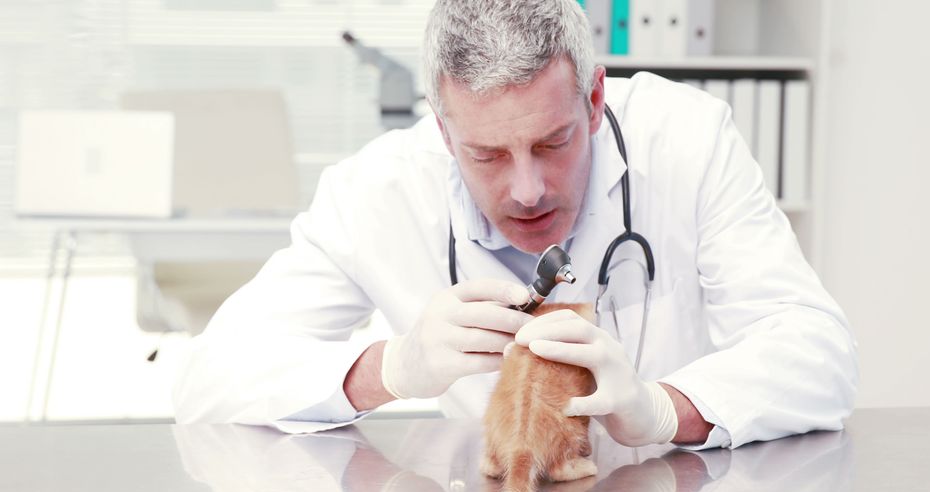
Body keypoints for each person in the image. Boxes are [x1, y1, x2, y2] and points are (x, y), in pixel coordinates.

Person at [172, 0, 858, 450]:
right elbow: (207, 380)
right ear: (442, 130)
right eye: (487, 154)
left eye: (553, 143)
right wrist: (391, 368)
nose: (527, 190)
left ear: (594, 100)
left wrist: (662, 409)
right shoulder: (375, 192)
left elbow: (817, 355)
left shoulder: (686, 141)